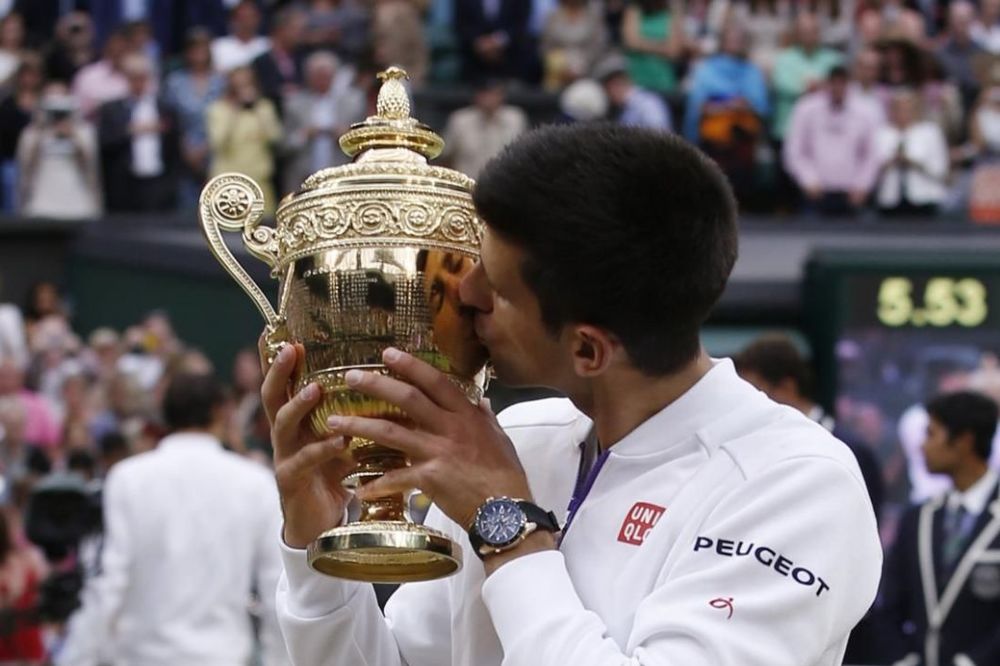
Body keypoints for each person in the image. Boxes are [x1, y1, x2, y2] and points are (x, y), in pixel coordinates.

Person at [264, 123, 883, 666]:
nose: (466, 293)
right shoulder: (518, 440)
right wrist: (313, 543)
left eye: (497, 288)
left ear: (589, 348)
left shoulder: (796, 483)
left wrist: (508, 525)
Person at [55, 372, 290, 666]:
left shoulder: (128, 479)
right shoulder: (255, 483)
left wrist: (77, 658)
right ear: (221, 411)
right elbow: (276, 590)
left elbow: (107, 583)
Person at [879, 390, 1000, 666]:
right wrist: (903, 657)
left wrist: (974, 661)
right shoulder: (918, 518)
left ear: (965, 441)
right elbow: (890, 603)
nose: (922, 446)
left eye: (932, 434)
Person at [783, 65, 882, 216]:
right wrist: (807, 180)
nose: (837, 87)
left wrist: (863, 185)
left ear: (850, 84)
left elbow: (872, 154)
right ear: (826, 83)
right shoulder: (806, 108)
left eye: (842, 83)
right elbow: (794, 150)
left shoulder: (866, 110)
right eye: (833, 82)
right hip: (814, 192)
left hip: (853, 194)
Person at [97, 53, 179, 213]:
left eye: (142, 77)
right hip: (124, 184)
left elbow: (175, 147)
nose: (138, 83)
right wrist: (130, 130)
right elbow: (103, 141)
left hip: (158, 182)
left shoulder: (165, 109)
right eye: (133, 78)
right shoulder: (112, 109)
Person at [440, 78, 528, 178]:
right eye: (484, 94)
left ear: (502, 96)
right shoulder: (460, 120)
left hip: (504, 185)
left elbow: (523, 157)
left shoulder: (515, 118)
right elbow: (446, 157)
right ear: (476, 96)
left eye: (494, 94)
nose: (489, 98)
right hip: (468, 184)